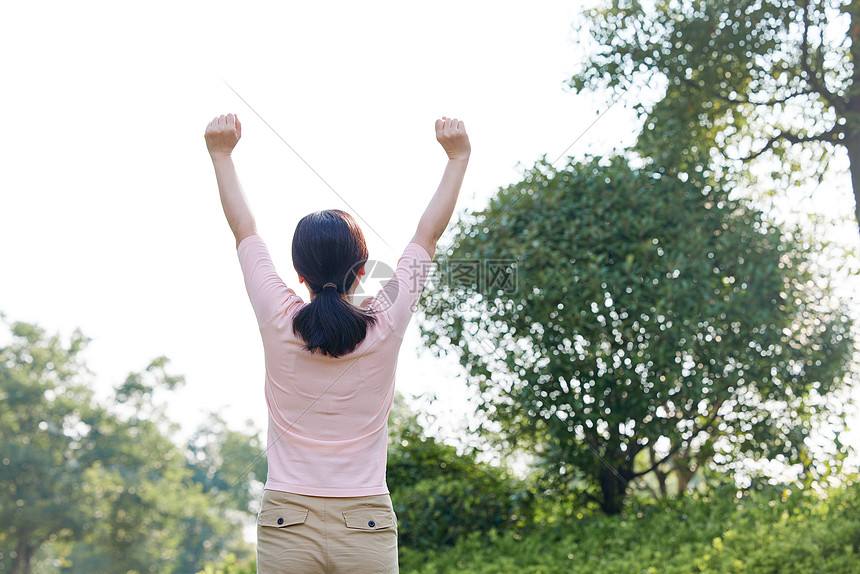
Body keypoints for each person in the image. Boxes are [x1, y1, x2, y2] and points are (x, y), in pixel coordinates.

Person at [204, 113, 470, 573]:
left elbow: (244, 230)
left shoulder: (278, 317)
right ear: (362, 272)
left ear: (299, 275)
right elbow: (427, 236)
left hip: (287, 517)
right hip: (364, 520)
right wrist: (458, 157)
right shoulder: (384, 323)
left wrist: (221, 154)